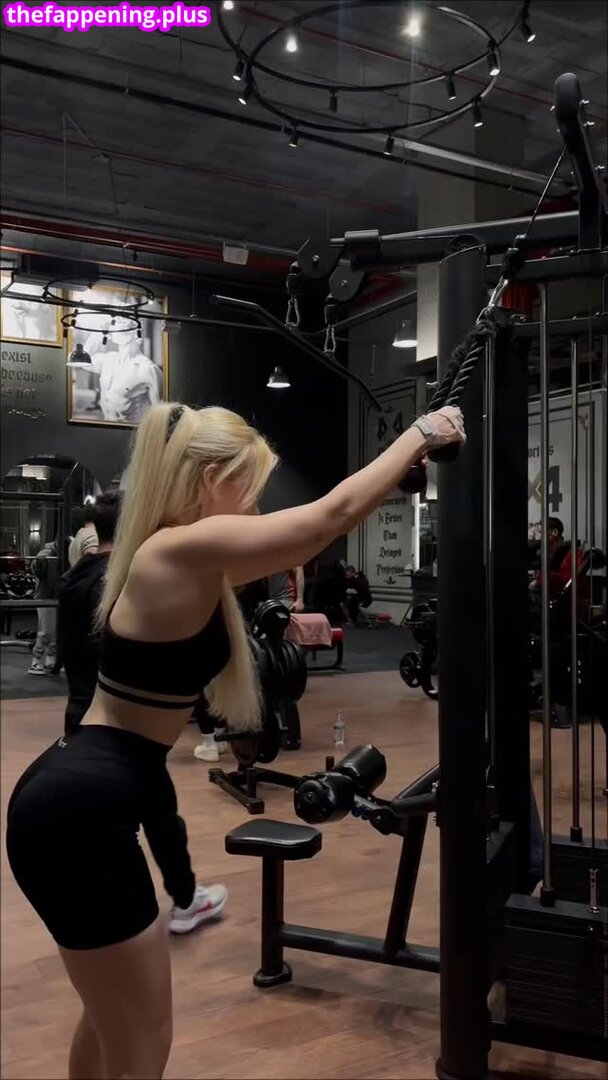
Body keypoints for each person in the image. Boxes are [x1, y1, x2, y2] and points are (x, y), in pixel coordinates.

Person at [6, 400, 464, 1080]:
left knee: (106, 1021)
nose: (255, 508)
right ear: (208, 479)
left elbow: (307, 533)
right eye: (247, 489)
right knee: (144, 1042)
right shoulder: (176, 550)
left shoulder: (180, 557)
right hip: (79, 808)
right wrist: (419, 436)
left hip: (81, 796)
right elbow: (328, 519)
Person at [58, 489, 219, 934]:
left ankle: (115, 907)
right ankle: (184, 902)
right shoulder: (126, 579)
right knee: (157, 815)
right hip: (119, 723)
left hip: (79, 713)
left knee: (110, 816)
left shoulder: (73, 577)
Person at [28, 536, 60, 676]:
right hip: (45, 596)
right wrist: (40, 562)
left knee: (56, 632)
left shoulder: (68, 551)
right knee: (46, 631)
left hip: (59, 596)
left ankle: (50, 660)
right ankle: (36, 661)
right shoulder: (46, 552)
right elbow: (36, 569)